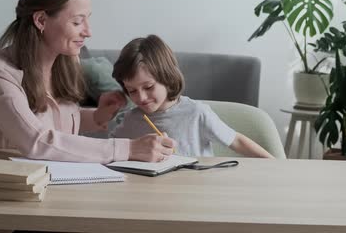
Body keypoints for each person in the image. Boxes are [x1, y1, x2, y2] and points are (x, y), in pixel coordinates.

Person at [0, 0, 175, 163]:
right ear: (41, 20)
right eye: (77, 22)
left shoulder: (68, 60)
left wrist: (97, 116)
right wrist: (129, 148)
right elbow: (36, 140)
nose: (88, 31)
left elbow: (55, 124)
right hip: (14, 188)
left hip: (59, 183)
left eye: (87, 19)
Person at [111, 35, 275, 158]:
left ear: (167, 77)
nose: (141, 97)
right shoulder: (130, 120)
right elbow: (109, 151)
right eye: (132, 90)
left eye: (148, 87)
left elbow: (237, 141)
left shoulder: (196, 113)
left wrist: (275, 164)